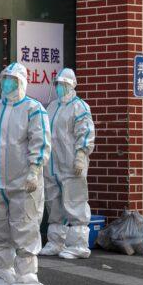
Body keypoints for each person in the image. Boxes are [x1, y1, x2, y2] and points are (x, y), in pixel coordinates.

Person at [0, 62, 51, 285]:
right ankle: (3, 272)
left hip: (23, 182)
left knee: (24, 225)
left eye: (12, 80)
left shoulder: (33, 109)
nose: (7, 83)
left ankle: (27, 278)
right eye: (5, 78)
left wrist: (34, 170)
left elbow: (41, 141)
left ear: (22, 82)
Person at [39, 67, 95, 259]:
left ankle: (79, 245)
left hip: (72, 164)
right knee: (53, 204)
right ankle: (56, 242)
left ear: (72, 85)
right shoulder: (52, 106)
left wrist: (81, 155)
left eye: (64, 84)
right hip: (52, 165)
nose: (60, 87)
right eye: (58, 84)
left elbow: (85, 133)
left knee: (75, 202)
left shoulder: (80, 107)